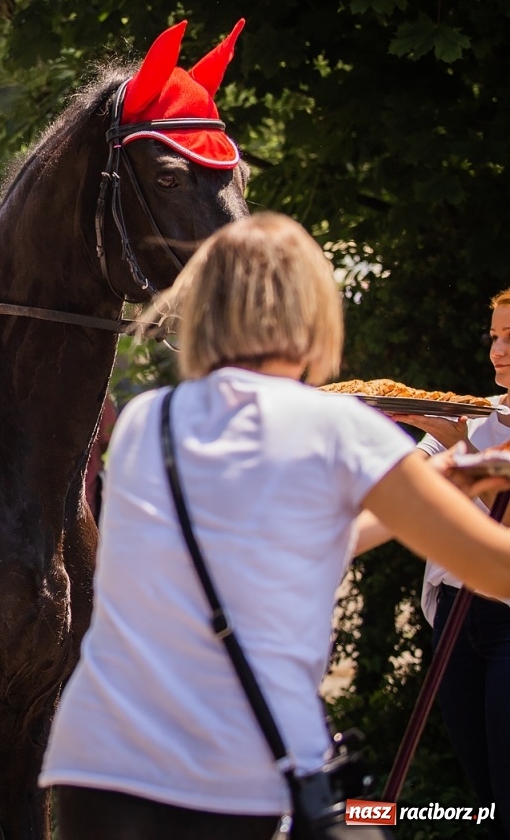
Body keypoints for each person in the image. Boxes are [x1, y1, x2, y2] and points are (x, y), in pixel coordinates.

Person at [40, 213, 510, 839]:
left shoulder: (146, 424)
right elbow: (493, 569)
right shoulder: (340, 428)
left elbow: (283, 555)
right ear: (312, 311)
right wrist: (426, 500)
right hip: (238, 773)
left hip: (98, 761)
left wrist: (436, 486)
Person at [391, 288, 510, 825]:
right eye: (494, 336)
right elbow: (407, 491)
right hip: (456, 622)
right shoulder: (472, 416)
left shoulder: (466, 431)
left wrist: (460, 452)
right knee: (481, 797)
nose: (498, 351)